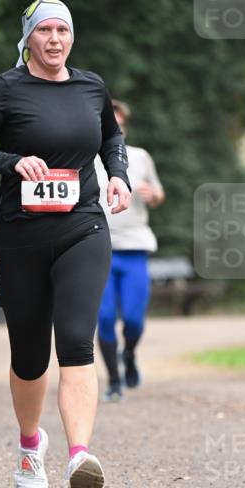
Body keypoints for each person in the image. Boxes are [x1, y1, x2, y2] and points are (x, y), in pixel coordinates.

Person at [0, 0, 131, 488]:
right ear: (28, 38)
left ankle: (79, 456)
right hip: (20, 235)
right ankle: (31, 444)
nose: (55, 39)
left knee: (76, 340)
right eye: (45, 31)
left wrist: (118, 175)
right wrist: (11, 162)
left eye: (63, 31)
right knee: (30, 357)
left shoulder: (91, 85)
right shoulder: (6, 89)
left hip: (83, 228)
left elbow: (111, 139)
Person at [95, 100, 164, 401]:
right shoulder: (84, 158)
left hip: (135, 247)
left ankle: (130, 355)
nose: (116, 130)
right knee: (105, 317)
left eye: (120, 125)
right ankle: (113, 380)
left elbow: (158, 193)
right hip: (98, 248)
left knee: (134, 320)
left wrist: (153, 195)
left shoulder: (139, 157)